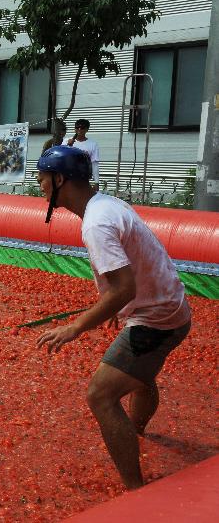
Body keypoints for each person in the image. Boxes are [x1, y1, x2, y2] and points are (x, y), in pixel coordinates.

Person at [34, 146, 191, 490]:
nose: (40, 184)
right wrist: (116, 307)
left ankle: (136, 490)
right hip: (169, 305)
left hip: (157, 318)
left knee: (101, 395)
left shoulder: (96, 223)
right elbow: (131, 272)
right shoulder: (107, 204)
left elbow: (123, 288)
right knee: (138, 373)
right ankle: (134, 431)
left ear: (60, 179)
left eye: (43, 178)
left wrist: (75, 327)